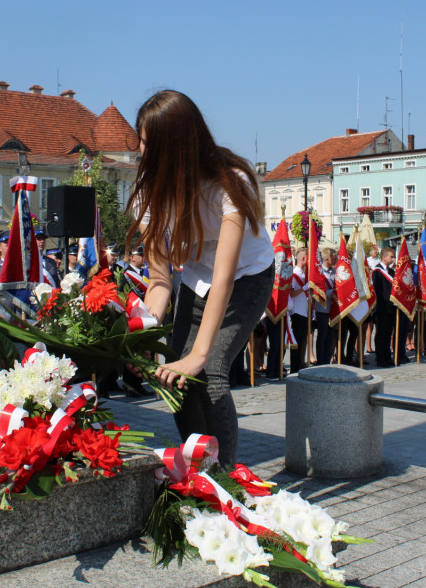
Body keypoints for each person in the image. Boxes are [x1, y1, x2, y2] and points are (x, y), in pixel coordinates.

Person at [128, 90, 274, 468]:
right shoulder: (147, 197)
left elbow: (224, 278)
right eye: (140, 140)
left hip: (246, 276)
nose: (140, 150)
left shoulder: (230, 183)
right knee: (173, 375)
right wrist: (139, 333)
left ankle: (228, 480)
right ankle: (199, 468)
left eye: (146, 142)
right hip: (195, 279)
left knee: (209, 373)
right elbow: (160, 281)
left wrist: (199, 354)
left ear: (174, 145)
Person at [372, 247, 401, 365]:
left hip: (391, 307)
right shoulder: (377, 272)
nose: (393, 259)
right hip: (382, 306)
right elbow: (377, 290)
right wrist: (387, 301)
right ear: (384, 257)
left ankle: (387, 356)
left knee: (389, 332)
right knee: (381, 333)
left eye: (394, 257)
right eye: (391, 257)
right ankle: (380, 358)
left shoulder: (391, 272)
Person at [312, 248, 336, 365]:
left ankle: (327, 359)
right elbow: (318, 291)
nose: (336, 258)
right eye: (334, 257)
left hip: (333, 309)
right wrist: (334, 293)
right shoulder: (319, 272)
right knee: (322, 335)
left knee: (330, 336)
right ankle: (320, 360)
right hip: (322, 308)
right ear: (327, 258)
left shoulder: (335, 272)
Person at [288, 247, 309, 374]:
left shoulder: (303, 274)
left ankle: (299, 363)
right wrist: (305, 287)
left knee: (302, 340)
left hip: (304, 310)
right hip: (296, 311)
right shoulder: (295, 273)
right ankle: (294, 366)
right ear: (302, 258)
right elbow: (292, 292)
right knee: (296, 341)